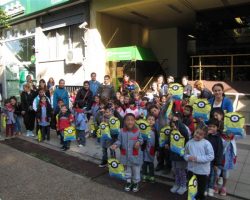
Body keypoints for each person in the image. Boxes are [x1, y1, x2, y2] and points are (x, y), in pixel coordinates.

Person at [111, 113, 143, 192]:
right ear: (124, 121)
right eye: (128, 120)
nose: (130, 122)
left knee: (136, 170)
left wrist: (139, 142)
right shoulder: (122, 131)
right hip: (125, 155)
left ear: (134, 121)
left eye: (132, 120)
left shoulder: (137, 131)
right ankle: (128, 182)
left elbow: (141, 139)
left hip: (135, 155)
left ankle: (135, 182)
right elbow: (119, 140)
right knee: (127, 170)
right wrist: (115, 145)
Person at [184, 126, 214, 200]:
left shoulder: (206, 143)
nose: (197, 135)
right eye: (197, 132)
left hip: (202, 172)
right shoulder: (189, 142)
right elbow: (185, 154)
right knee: (191, 188)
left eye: (200, 134)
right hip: (191, 170)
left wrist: (197, 158)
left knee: (201, 190)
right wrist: (188, 157)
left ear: (204, 135)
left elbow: (211, 156)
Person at [169, 113, 189, 195]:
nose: (174, 128)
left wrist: (178, 122)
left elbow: (185, 133)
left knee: (182, 172)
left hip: (181, 156)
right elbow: (169, 140)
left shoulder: (183, 132)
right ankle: (177, 184)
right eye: (172, 126)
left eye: (175, 126)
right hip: (174, 156)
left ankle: (183, 186)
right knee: (176, 171)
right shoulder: (172, 133)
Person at [206, 119, 223, 197]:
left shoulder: (218, 138)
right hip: (205, 160)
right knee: (206, 175)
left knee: (212, 176)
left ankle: (211, 188)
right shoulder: (206, 135)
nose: (211, 128)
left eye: (214, 127)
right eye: (210, 126)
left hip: (213, 162)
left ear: (217, 127)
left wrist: (217, 163)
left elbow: (219, 152)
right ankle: (205, 188)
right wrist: (206, 134)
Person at [142, 115, 158, 183]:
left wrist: (157, 149)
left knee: (151, 163)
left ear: (154, 121)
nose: (151, 121)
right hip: (144, 148)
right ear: (146, 120)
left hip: (152, 149)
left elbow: (157, 140)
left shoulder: (155, 130)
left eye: (152, 119)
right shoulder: (143, 129)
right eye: (149, 119)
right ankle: (144, 175)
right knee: (144, 163)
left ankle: (151, 175)